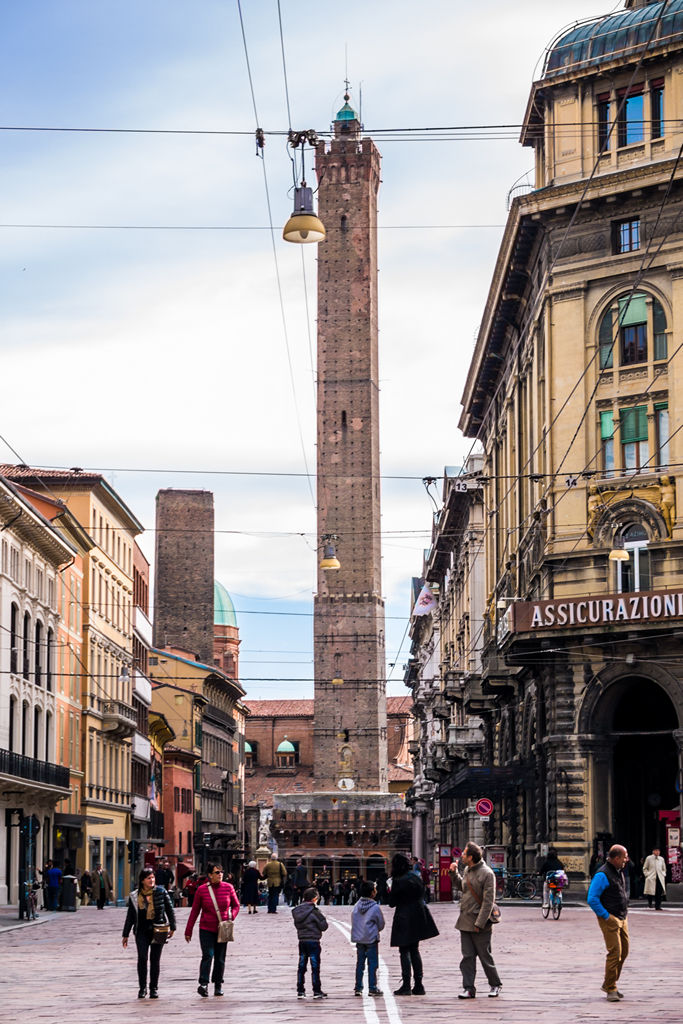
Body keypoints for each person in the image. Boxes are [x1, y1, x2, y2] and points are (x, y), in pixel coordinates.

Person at [449, 841, 502, 999]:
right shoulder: (467, 869)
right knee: (467, 957)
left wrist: (480, 923)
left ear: (471, 857)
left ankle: (495, 984)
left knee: (485, 956)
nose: (462, 856)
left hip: (480, 923)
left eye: (464, 854)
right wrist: (453, 873)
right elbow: (462, 887)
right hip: (465, 920)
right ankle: (469, 988)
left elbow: (488, 902)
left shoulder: (487, 873)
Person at [185, 862, 240, 998]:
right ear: (210, 875)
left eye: (221, 872)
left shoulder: (229, 888)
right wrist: (188, 930)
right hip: (206, 928)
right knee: (208, 955)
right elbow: (195, 911)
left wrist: (231, 916)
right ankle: (203, 983)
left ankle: (218, 984)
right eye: (217, 872)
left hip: (223, 928)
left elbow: (236, 905)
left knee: (220, 958)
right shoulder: (202, 890)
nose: (220, 874)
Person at [388, 852, 439, 996]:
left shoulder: (398, 880)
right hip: (418, 914)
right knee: (415, 950)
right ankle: (419, 985)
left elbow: (392, 903)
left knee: (404, 951)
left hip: (404, 916)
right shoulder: (416, 876)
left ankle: (406, 985)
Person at [122, 866, 176, 999]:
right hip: (141, 931)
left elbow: (170, 910)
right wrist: (125, 934)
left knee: (155, 960)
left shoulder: (161, 892)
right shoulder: (134, 896)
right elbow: (130, 917)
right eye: (148, 878)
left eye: (153, 877)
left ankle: (153, 988)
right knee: (142, 959)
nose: (151, 880)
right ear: (142, 880)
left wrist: (173, 927)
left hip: (158, 930)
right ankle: (142, 988)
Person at [587, 843, 630, 1002]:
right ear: (616, 858)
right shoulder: (602, 874)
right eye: (625, 857)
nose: (627, 859)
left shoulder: (618, 871)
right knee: (615, 953)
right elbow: (592, 898)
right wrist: (606, 916)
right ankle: (611, 988)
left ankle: (609, 983)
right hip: (610, 918)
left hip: (622, 916)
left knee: (624, 952)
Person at [292, 886, 328, 1000]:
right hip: (313, 941)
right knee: (315, 966)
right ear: (314, 899)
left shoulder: (297, 911)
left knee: (302, 965)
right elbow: (324, 926)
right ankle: (316, 990)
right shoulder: (315, 911)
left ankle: (300, 990)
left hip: (302, 940)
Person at [351, 880, 385, 997]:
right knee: (372, 964)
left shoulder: (356, 906)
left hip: (359, 939)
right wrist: (375, 930)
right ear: (372, 893)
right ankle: (372, 987)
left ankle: (358, 987)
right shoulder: (375, 907)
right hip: (371, 938)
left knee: (360, 964)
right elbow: (381, 924)